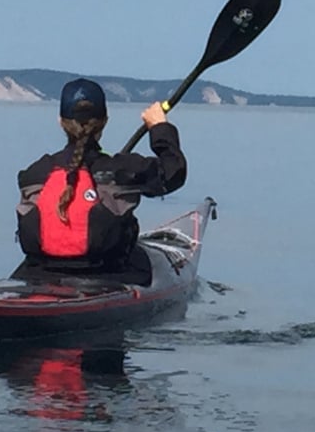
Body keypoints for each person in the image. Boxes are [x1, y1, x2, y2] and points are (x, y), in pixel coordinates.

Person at [14, 78, 187, 282]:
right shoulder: (124, 170)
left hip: (41, 272)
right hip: (110, 274)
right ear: (105, 121)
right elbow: (174, 173)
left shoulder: (33, 173)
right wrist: (158, 126)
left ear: (60, 121)